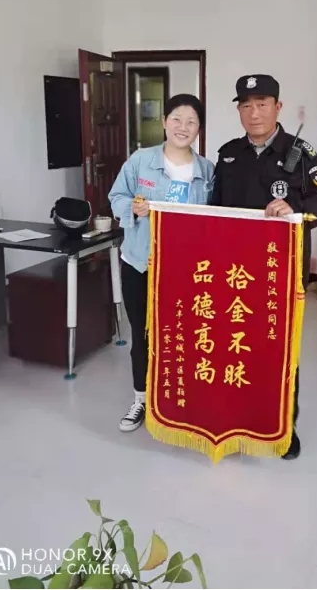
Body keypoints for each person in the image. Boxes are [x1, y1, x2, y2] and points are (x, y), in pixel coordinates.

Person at [210, 74, 317, 460]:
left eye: (262, 104)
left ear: (278, 107)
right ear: (239, 111)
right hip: (234, 271)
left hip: (280, 271)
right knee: (234, 344)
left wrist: (295, 209)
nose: (254, 113)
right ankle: (234, 416)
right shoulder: (229, 154)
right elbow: (212, 210)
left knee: (279, 349)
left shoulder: (301, 154)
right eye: (246, 105)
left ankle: (284, 426)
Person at [109, 94, 214, 432]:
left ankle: (179, 400)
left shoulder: (207, 171)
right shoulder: (141, 160)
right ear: (165, 121)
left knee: (182, 334)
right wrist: (132, 207)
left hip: (184, 269)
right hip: (139, 264)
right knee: (142, 334)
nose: (183, 127)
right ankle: (141, 399)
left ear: (199, 128)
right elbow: (116, 196)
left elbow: (215, 221)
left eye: (192, 121)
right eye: (177, 119)